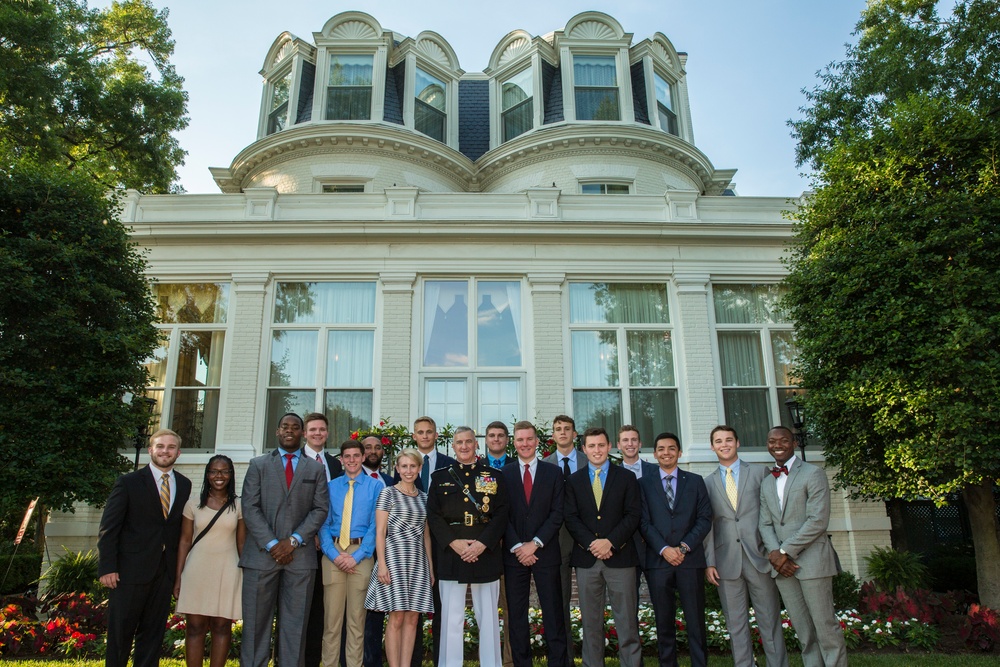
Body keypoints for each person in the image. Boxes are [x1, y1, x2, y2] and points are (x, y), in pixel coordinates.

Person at [240, 412, 329, 667]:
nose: (290, 430)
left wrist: (293, 540)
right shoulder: (258, 465)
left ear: (302, 433)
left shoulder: (315, 468)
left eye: (295, 427)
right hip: (260, 557)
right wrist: (272, 544)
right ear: (277, 432)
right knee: (256, 626)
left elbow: (320, 509)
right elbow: (250, 507)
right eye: (285, 426)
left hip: (300, 559)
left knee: (295, 627)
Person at [98, 428, 192, 667]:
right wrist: (107, 567)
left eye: (171, 447)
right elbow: (109, 528)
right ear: (151, 450)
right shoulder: (128, 482)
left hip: (163, 573)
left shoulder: (184, 484)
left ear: (178, 453)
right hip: (128, 571)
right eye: (160, 446)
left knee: (152, 634)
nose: (165, 451)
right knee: (120, 635)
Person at [759, 426, 847, 667]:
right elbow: (765, 524)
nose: (777, 444)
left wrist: (784, 552)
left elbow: (817, 521)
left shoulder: (813, 473)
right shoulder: (767, 482)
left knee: (825, 627)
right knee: (804, 632)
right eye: (772, 440)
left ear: (794, 443)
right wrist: (776, 554)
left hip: (813, 562)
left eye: (783, 440)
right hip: (783, 568)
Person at [703, 426, 788, 667]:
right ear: (712, 447)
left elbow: (773, 513)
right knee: (736, 624)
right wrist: (709, 562)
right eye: (718, 441)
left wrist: (777, 550)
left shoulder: (760, 473)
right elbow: (708, 527)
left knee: (769, 620)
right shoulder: (707, 483)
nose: (724, 444)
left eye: (729, 439)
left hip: (760, 557)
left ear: (737, 443)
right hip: (726, 562)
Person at [426, 426, 509, 667]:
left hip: (486, 552)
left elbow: (502, 513)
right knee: (451, 618)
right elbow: (433, 515)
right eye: (459, 442)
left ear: (476, 445)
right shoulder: (440, 477)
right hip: (452, 553)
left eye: (469, 442)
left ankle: (491, 664)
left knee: (489, 619)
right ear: (452, 446)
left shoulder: (494, 475)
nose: (464, 446)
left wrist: (482, 543)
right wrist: (454, 543)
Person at [564, 426, 642, 667]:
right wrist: (592, 543)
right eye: (591, 446)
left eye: (601, 445)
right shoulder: (574, 481)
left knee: (627, 622)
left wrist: (610, 542)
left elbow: (632, 515)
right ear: (584, 449)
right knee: (591, 623)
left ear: (609, 447)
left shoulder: (626, 478)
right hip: (588, 560)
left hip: (620, 557)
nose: (596, 450)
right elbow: (571, 517)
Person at [637, 432, 713, 667]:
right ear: (654, 454)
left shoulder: (695, 481)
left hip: (689, 560)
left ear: (679, 453)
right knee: (663, 620)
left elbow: (704, 518)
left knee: (695, 619)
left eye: (671, 448)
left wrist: (682, 547)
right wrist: (664, 549)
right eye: (661, 448)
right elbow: (643, 522)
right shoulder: (643, 484)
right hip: (658, 562)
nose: (666, 452)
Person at [500, 421, 568, 667]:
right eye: (520, 440)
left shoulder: (553, 473)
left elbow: (557, 513)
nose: (525, 444)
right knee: (516, 617)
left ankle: (557, 663)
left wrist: (535, 543)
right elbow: (501, 515)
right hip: (514, 556)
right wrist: (518, 546)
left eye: (529, 439)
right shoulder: (504, 474)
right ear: (514, 443)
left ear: (537, 442)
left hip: (545, 554)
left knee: (553, 614)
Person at [174, 455, 246, 667]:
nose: (219, 476)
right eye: (214, 471)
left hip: (228, 570)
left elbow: (241, 543)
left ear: (231, 475)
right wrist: (178, 577)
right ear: (207, 474)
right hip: (197, 569)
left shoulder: (239, 505)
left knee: (222, 626)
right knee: (195, 626)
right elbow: (185, 542)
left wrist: (245, 574)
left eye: (224, 471)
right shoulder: (193, 504)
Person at [364, 449, 435, 667]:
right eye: (404, 466)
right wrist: (382, 564)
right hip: (394, 560)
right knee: (396, 617)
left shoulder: (425, 498)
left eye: (413, 466)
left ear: (419, 469)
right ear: (397, 468)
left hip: (418, 562)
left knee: (413, 617)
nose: (408, 470)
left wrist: (430, 569)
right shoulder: (388, 493)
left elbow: (426, 536)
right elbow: (380, 532)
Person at [319, 439, 382, 667]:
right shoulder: (331, 487)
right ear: (342, 460)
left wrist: (356, 556)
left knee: (356, 622)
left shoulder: (376, 487)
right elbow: (323, 524)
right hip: (333, 553)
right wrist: (334, 554)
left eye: (357, 455)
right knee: (331, 623)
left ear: (363, 457)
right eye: (348, 456)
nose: (352, 460)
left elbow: (377, 526)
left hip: (361, 554)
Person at [402, 416, 455, 667]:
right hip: (411, 547)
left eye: (429, 432)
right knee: (411, 608)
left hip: (443, 544)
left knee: (440, 607)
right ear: (414, 436)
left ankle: (439, 661)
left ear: (436, 435)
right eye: (420, 432)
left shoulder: (449, 464)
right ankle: (411, 661)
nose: (424, 436)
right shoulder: (404, 465)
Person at [301, 412, 344, 667]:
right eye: (313, 430)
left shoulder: (335, 464)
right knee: (301, 608)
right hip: (303, 545)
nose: (318, 433)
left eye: (322, 430)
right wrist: (313, 532)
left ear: (327, 433)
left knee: (323, 608)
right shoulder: (295, 461)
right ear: (305, 433)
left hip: (331, 547)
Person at [542, 413, 583, 663]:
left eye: (567, 428)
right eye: (558, 429)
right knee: (561, 601)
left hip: (589, 539)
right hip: (558, 540)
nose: (563, 432)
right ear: (553, 435)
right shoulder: (544, 465)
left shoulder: (591, 461)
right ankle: (565, 658)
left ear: (574, 434)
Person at [360, 434, 394, 667]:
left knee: (383, 610)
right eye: (368, 447)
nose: (373, 451)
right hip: (362, 552)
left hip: (390, 553)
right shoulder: (351, 478)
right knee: (363, 612)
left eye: (378, 447)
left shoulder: (390, 481)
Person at [484, 420, 514, 667]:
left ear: (507, 440)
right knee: (485, 611)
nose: (496, 439)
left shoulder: (516, 467)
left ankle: (508, 661)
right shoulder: (476, 467)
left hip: (511, 547)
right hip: (483, 549)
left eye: (500, 435)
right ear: (485, 440)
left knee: (510, 609)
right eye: (492, 435)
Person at [616, 425, 658, 603]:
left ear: (640, 443)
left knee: (660, 598)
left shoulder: (655, 471)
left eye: (634, 440)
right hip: (627, 546)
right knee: (628, 601)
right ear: (618, 445)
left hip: (653, 545)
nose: (630, 444)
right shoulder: (611, 474)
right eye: (625, 440)